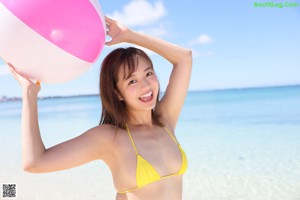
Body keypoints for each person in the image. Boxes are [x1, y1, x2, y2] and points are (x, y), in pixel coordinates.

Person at [8, 17, 192, 200]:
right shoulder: (109, 138)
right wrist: (29, 93)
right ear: (117, 93)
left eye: (149, 73)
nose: (146, 86)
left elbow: (184, 58)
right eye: (132, 81)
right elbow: (34, 163)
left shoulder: (164, 121)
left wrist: (130, 36)